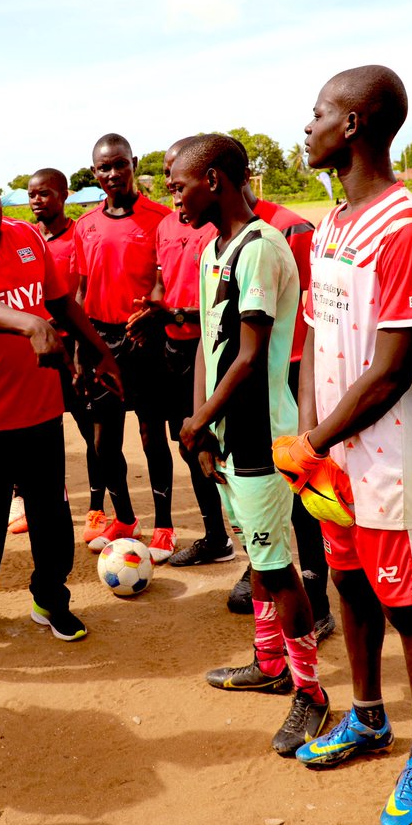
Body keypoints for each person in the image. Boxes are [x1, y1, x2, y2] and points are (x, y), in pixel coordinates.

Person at [277, 66, 412, 825]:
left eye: (316, 114)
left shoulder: (405, 226)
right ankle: (368, 715)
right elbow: (316, 336)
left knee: (407, 606)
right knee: (347, 585)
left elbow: (394, 369)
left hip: (391, 463)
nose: (304, 127)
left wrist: (314, 438)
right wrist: (314, 438)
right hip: (335, 457)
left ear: (351, 126)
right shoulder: (336, 223)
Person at [0, 157, 121, 652]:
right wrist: (28, 325)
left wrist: (101, 354)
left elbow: (60, 304)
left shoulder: (26, 237)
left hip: (39, 411)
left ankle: (51, 599)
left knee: (51, 518)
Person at [172, 134, 329, 757]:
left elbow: (252, 354)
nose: (172, 194)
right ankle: (269, 664)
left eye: (178, 181)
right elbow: (210, 351)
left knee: (274, 566)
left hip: (262, 439)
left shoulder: (261, 248)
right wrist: (202, 426)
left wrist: (199, 420)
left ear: (213, 178)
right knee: (257, 556)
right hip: (228, 436)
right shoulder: (218, 247)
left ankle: (311, 695)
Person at [225, 144, 334, 643]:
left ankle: (315, 589)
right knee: (252, 493)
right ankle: (265, 571)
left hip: (288, 374)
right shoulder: (214, 237)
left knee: (298, 482)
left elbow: (319, 310)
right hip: (243, 380)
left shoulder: (288, 230)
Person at [126, 137, 231, 567]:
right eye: (167, 173)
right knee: (191, 445)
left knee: (226, 448)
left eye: (176, 173)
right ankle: (215, 536)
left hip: (213, 351)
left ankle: (256, 550)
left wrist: (175, 312)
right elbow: (162, 281)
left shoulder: (217, 227)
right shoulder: (167, 226)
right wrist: (152, 310)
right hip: (174, 352)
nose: (171, 181)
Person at [72, 133, 175, 562]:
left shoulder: (160, 219)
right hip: (99, 340)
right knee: (104, 441)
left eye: (119, 165)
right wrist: (80, 348)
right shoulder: (86, 225)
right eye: (103, 168)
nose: (112, 174)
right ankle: (126, 518)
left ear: (133, 163)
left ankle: (165, 526)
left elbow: (164, 277)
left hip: (143, 341)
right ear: (94, 172)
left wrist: (155, 305)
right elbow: (79, 291)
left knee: (152, 434)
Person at [20, 167, 106, 540]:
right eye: (32, 195)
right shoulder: (27, 242)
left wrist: (83, 351)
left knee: (91, 432)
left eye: (45, 194)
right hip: (41, 349)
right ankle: (40, 505)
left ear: (64, 195)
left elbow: (80, 297)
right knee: (39, 435)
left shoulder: (78, 237)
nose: (37, 201)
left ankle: (98, 509)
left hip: (74, 345)